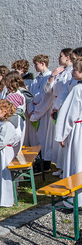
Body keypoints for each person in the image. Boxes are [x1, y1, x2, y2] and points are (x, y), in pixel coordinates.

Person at [55, 57, 82, 208]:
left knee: (77, 163)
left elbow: (70, 114)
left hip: (78, 130)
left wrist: (62, 135)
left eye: (75, 70)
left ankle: (75, 201)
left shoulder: (78, 89)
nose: (72, 73)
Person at [44, 48, 73, 178]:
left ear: (68, 57)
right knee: (57, 139)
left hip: (62, 106)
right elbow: (48, 89)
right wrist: (53, 75)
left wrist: (56, 107)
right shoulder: (61, 72)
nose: (58, 58)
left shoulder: (72, 72)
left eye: (60, 56)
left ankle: (65, 166)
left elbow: (65, 93)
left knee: (63, 137)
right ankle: (60, 165)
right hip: (56, 106)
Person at [27, 54, 53, 174]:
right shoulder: (36, 80)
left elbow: (47, 99)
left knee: (43, 138)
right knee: (35, 138)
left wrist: (37, 113)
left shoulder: (49, 78)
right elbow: (30, 96)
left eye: (36, 64)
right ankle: (37, 161)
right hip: (34, 112)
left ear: (43, 63)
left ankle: (44, 163)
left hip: (44, 112)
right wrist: (31, 110)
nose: (34, 66)